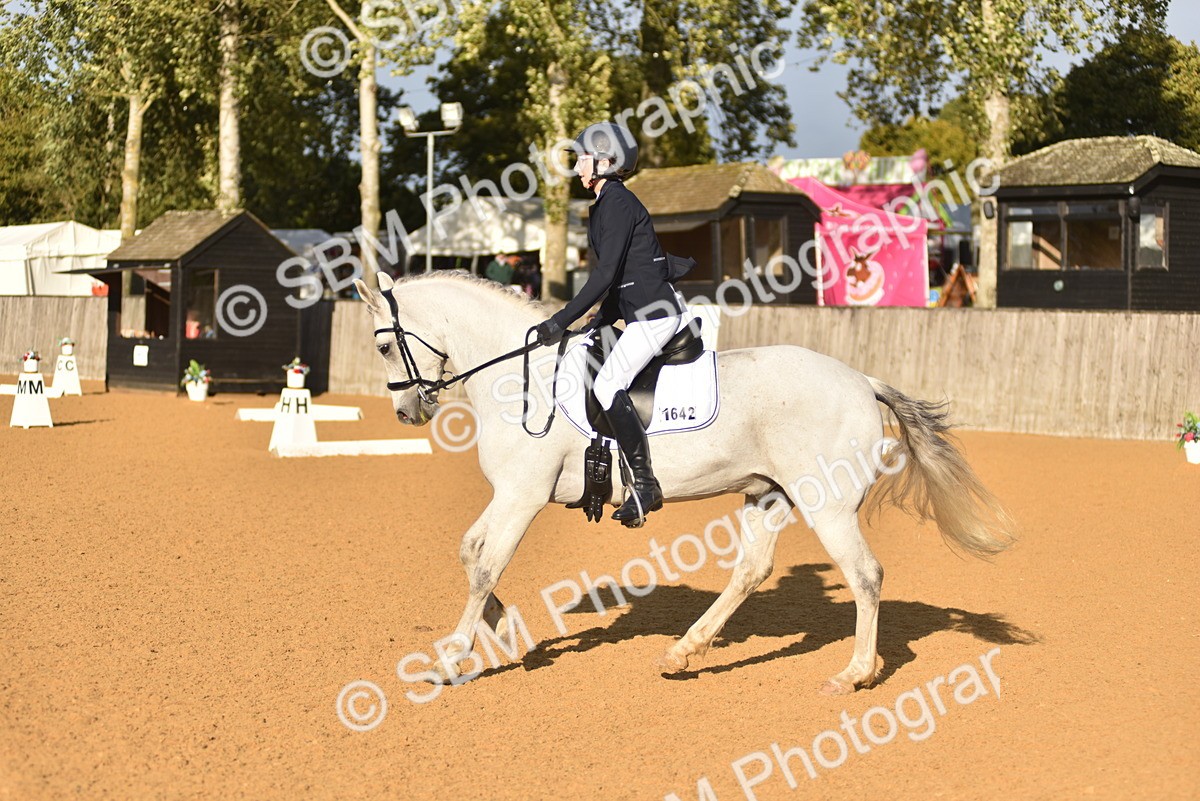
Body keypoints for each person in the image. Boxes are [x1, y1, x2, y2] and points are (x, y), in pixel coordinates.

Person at [534, 121, 690, 525]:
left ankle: (644, 484)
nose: (578, 167)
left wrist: (559, 320)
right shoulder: (604, 203)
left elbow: (604, 277)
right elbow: (618, 279)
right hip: (634, 309)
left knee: (607, 384)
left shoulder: (618, 202)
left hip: (654, 314)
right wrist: (592, 323)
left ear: (605, 162)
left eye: (583, 159)